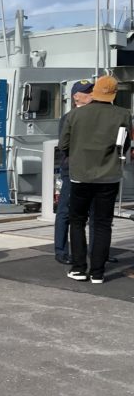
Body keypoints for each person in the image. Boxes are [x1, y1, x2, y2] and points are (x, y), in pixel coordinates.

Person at [60, 75, 132, 284]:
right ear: (113, 93)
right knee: (102, 224)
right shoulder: (123, 114)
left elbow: (64, 144)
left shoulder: (75, 115)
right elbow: (125, 144)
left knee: (77, 221)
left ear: (96, 91)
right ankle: (98, 273)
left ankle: (79, 268)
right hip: (109, 176)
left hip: (80, 175)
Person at [53, 80, 94, 264]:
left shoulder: (95, 116)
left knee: (95, 212)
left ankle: (96, 251)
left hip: (92, 170)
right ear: (76, 96)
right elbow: (65, 146)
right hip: (72, 170)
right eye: (88, 92)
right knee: (65, 211)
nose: (92, 94)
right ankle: (61, 250)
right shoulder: (68, 118)